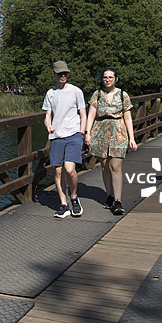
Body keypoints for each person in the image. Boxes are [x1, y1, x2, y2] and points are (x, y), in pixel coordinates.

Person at [85, 67, 137, 215]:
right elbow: (91, 115)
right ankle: (109, 195)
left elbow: (127, 117)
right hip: (100, 131)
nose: (107, 80)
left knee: (116, 165)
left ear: (116, 79)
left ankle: (118, 201)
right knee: (105, 166)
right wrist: (88, 133)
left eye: (110, 77)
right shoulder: (97, 95)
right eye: (105, 77)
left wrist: (131, 138)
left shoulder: (122, 95)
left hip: (118, 131)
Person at [42, 60, 87, 218]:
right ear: (53, 74)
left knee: (70, 169)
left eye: (65, 74)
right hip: (57, 136)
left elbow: (83, 113)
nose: (63, 76)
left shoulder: (76, 91)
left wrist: (81, 133)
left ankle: (74, 197)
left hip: (73, 134)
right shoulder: (51, 93)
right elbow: (48, 115)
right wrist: (48, 125)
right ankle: (63, 204)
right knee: (59, 170)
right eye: (60, 73)